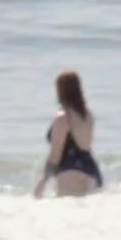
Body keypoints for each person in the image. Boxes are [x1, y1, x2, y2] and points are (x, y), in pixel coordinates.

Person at [34, 70, 101, 198]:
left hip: (69, 171)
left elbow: (56, 154)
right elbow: (85, 146)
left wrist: (43, 180)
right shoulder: (88, 115)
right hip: (92, 171)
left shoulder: (63, 117)